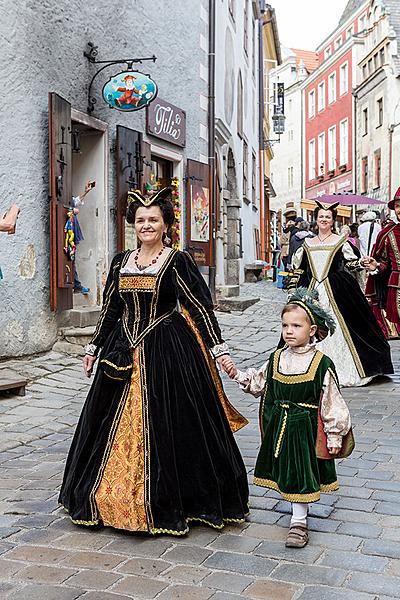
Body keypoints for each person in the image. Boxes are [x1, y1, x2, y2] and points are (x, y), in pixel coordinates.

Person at [59, 187, 249, 535]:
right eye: (141, 219)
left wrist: (218, 350)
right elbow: (112, 309)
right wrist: (93, 348)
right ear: (134, 223)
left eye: (154, 220)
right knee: (102, 426)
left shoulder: (177, 261)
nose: (146, 225)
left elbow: (198, 306)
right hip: (122, 351)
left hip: (168, 350)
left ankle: (172, 501)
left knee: (175, 425)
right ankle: (105, 499)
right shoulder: (121, 261)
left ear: (165, 225)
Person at [223, 288, 352, 548]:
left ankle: (299, 522)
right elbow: (259, 383)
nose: (289, 331)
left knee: (300, 475)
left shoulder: (321, 363)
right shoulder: (276, 358)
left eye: (296, 325)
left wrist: (335, 434)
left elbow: (332, 401)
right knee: (286, 472)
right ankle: (296, 516)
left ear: (312, 330)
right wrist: (238, 375)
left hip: (305, 431)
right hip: (280, 428)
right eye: (285, 325)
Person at [288, 201, 393, 387]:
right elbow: (299, 270)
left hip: (337, 290)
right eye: (321, 216)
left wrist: (362, 263)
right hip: (312, 292)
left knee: (348, 327)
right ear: (316, 219)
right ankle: (308, 370)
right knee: (309, 326)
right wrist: (292, 292)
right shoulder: (307, 244)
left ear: (333, 220)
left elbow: (350, 264)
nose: (324, 220)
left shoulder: (340, 241)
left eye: (328, 217)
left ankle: (343, 369)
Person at [364, 189, 400, 338]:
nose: (399, 209)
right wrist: (376, 266)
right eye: (397, 206)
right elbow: (384, 261)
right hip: (397, 288)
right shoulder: (388, 233)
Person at [70, 181, 95, 294]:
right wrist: (71, 211)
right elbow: (60, 208)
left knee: (71, 258)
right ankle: (76, 285)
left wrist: (86, 192)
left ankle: (76, 285)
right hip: (65, 233)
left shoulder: (66, 195)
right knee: (70, 258)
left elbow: (76, 202)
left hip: (71, 232)